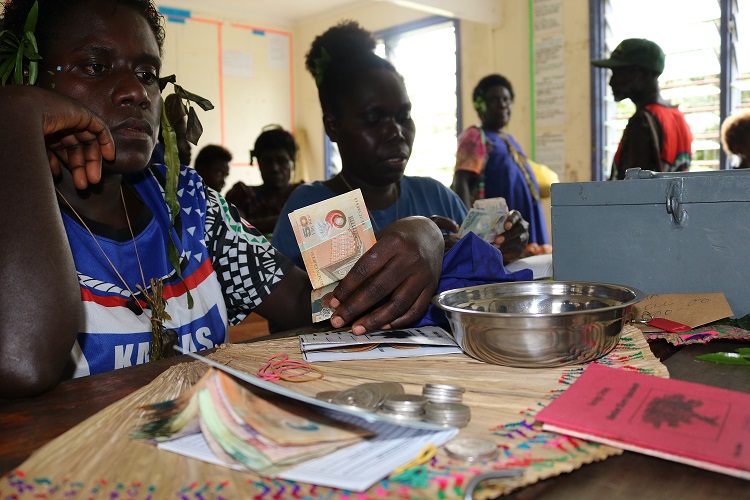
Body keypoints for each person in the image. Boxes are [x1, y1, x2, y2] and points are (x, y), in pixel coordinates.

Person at [0, 0, 445, 398]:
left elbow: (316, 308)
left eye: (147, 74)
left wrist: (420, 237)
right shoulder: (12, 216)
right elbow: (22, 360)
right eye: (95, 67)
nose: (136, 92)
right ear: (29, 78)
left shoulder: (191, 206)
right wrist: (16, 116)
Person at [272, 21, 530, 270]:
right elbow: (288, 313)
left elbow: (481, 282)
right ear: (332, 126)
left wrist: (502, 247)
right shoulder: (311, 207)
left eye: (403, 117)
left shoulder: (436, 196)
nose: (396, 132)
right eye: (373, 119)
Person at [452, 74, 550, 249]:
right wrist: (469, 230)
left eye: (506, 99)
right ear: (480, 105)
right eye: (495, 100)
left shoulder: (509, 140)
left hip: (522, 226)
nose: (502, 104)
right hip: (499, 235)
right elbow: (461, 181)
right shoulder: (475, 136)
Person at [591, 38, 693, 180]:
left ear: (643, 73)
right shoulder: (676, 116)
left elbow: (632, 194)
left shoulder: (643, 122)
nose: (611, 82)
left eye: (618, 72)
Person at [224, 125, 303, 235]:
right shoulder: (242, 195)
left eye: (281, 160)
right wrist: (294, 220)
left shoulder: (303, 194)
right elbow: (235, 228)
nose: (275, 168)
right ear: (259, 164)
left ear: (292, 163)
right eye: (267, 161)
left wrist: (252, 224)